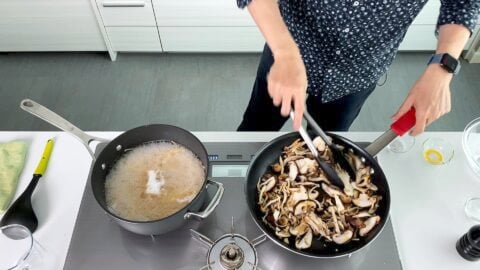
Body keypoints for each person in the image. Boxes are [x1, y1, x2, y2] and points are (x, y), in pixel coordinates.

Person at [236, 0, 480, 134]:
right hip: (286, 55)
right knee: (255, 129)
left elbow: (463, 4)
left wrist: (442, 67)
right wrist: (284, 51)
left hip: (357, 74)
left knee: (326, 144)